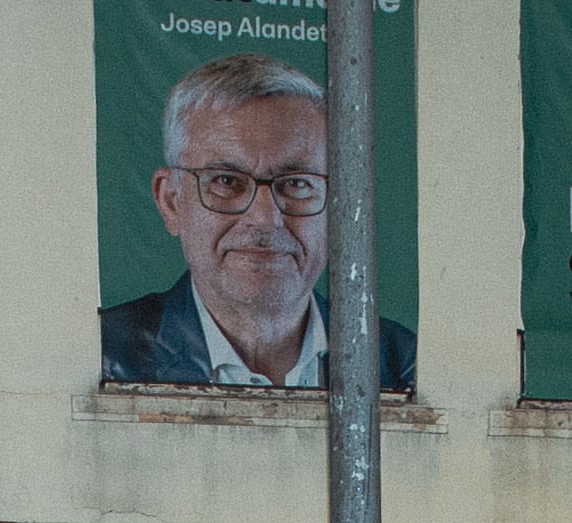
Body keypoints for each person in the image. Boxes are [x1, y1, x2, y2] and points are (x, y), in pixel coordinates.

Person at [99, 49, 416, 390]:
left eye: (297, 183)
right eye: (226, 181)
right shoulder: (100, 356)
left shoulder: (404, 366)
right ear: (171, 201)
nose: (265, 219)